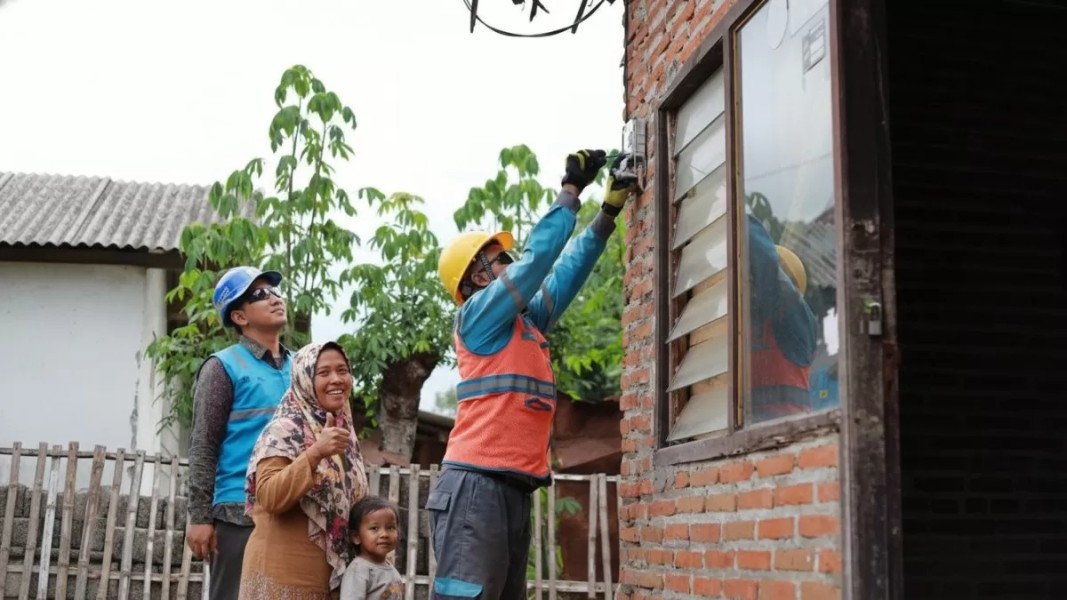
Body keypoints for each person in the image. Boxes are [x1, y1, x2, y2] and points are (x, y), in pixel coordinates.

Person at [428, 149, 636, 600]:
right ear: (479, 279)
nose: (513, 262)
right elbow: (539, 261)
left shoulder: (527, 322)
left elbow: (565, 273)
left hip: (510, 488)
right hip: (474, 487)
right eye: (503, 259)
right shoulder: (477, 318)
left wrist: (608, 211)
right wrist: (570, 190)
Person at [186, 266, 293, 600]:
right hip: (238, 513)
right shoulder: (222, 367)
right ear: (239, 316)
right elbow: (204, 445)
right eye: (260, 295)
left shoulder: (301, 366)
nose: (274, 299)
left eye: (275, 292)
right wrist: (200, 517)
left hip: (292, 509)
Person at [239, 341, 368, 599]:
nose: (336, 379)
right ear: (304, 379)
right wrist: (315, 453)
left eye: (342, 370)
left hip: (327, 579)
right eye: (324, 373)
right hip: (281, 575)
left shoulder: (344, 432)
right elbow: (270, 496)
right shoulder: (285, 430)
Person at [746, 215, 818, 421]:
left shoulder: (796, 320)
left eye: (754, 274)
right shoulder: (746, 327)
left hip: (789, 438)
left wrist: (730, 214)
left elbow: (766, 262)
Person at [339, 496, 404, 600]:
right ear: (356, 537)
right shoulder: (359, 570)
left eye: (390, 527)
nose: (384, 534)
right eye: (374, 528)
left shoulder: (390, 568)